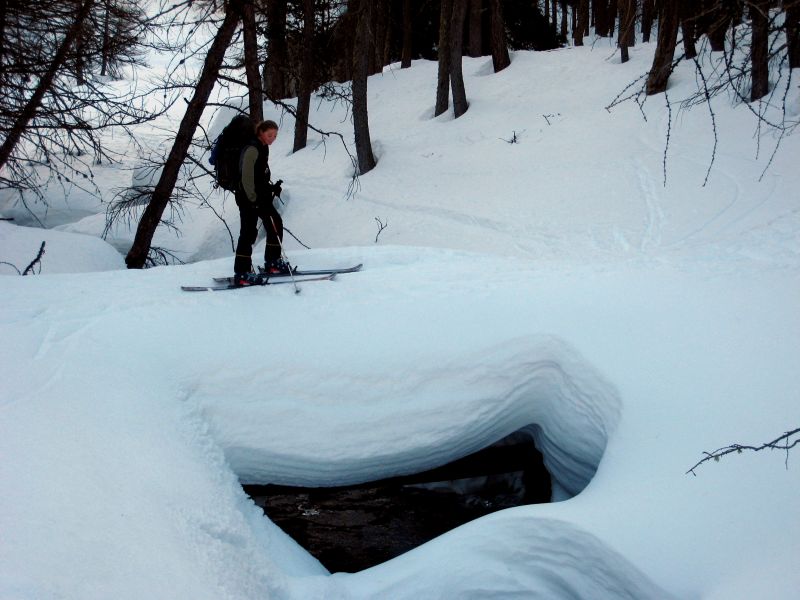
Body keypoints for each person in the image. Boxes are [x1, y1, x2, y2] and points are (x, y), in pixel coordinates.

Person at [233, 119, 292, 285]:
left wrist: (271, 188)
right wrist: (252, 198)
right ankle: (242, 273)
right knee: (248, 233)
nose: (273, 138)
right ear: (261, 132)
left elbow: (259, 175)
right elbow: (246, 176)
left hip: (259, 197)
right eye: (269, 134)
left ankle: (272, 262)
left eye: (275, 135)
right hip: (248, 198)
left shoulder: (263, 147)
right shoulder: (252, 148)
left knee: (274, 222)